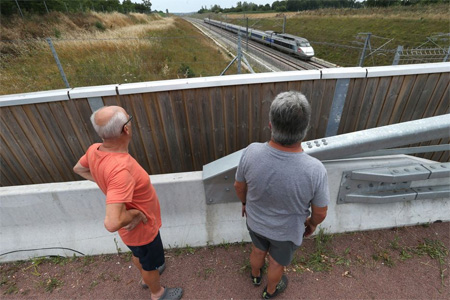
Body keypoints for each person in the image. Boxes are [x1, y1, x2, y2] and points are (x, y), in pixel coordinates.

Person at [73, 106, 182, 300]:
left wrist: (103, 182)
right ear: (126, 129)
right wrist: (136, 214)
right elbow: (112, 222)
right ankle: (158, 293)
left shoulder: (94, 150)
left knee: (140, 255)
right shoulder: (121, 170)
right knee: (149, 261)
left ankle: (147, 277)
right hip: (142, 229)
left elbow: (79, 169)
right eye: (129, 119)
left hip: (131, 234)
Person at [234, 91, 329, 299]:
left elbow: (239, 186)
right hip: (287, 233)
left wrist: (244, 203)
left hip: (255, 221)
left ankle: (255, 275)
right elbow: (320, 212)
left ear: (270, 125)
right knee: (277, 263)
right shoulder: (315, 170)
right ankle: (269, 291)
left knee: (258, 251)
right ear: (305, 131)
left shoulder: (250, 152)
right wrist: (312, 223)